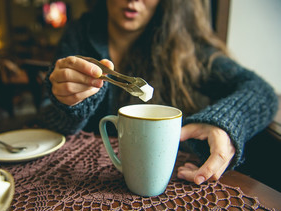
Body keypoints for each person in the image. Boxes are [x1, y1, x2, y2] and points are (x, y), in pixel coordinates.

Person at [37, 0, 278, 185]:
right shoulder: (78, 33)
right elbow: (51, 126)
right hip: (84, 181)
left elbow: (260, 90)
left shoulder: (185, 47)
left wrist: (225, 121)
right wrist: (66, 103)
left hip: (170, 183)